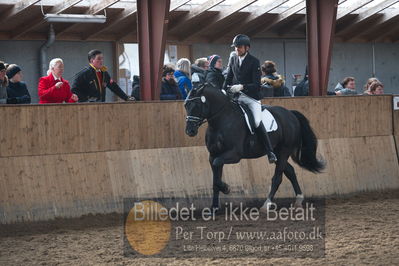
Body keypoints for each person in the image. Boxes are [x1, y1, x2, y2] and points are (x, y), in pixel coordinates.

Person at [223, 34, 277, 163]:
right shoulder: (233, 60)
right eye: (235, 47)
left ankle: (270, 151)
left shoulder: (254, 61)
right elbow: (228, 78)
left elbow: (256, 85)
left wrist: (242, 87)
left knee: (257, 121)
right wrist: (223, 90)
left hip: (251, 98)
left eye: (240, 47)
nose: (237, 49)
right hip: (236, 98)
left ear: (247, 48)